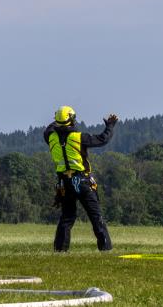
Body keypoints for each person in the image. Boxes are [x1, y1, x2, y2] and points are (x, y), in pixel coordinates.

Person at [45, 105, 116, 252]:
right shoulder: (79, 138)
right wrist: (110, 126)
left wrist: (58, 119)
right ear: (72, 120)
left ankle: (60, 250)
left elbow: (49, 129)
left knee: (67, 217)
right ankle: (105, 248)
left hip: (64, 183)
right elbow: (103, 139)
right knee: (95, 215)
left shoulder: (50, 137)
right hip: (82, 181)